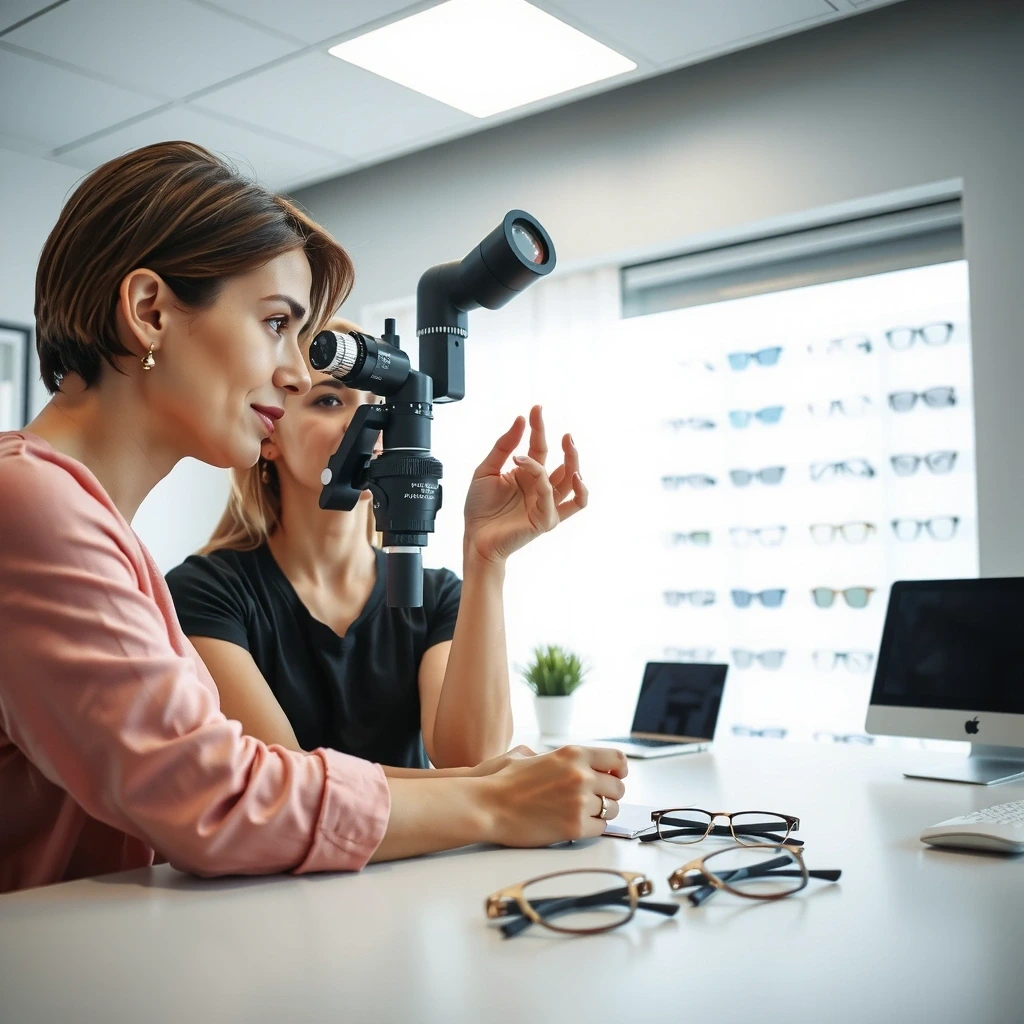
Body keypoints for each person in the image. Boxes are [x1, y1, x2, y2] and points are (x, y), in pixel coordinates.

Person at [0, 141, 626, 894]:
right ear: (150, 312)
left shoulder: (78, 516)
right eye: (275, 324)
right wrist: (493, 801)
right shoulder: (29, 505)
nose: (296, 371)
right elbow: (219, 797)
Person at [166, 313, 584, 772]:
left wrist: (487, 557)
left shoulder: (438, 595)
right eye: (329, 401)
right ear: (270, 434)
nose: (373, 422)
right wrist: (490, 792)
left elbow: (470, 758)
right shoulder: (204, 593)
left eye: (384, 403)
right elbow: (293, 783)